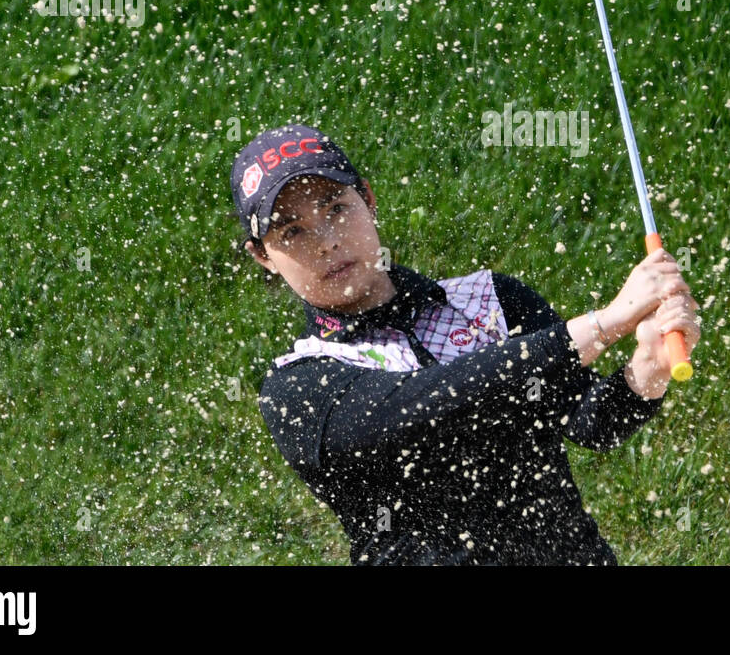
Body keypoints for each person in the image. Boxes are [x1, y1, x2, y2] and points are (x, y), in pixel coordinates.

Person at [233, 122, 700, 564]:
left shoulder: (490, 299)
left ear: (369, 200)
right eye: (292, 231)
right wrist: (603, 324)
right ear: (262, 256)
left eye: (336, 208)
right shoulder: (298, 389)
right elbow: (430, 405)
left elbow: (591, 425)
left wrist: (648, 370)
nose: (327, 242)